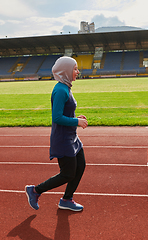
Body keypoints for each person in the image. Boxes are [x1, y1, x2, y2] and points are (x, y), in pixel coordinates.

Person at [25, 56, 88, 212]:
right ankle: (35, 191)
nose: (77, 72)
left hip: (72, 137)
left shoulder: (66, 87)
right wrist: (76, 122)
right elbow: (57, 117)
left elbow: (64, 112)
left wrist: (76, 118)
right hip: (63, 139)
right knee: (67, 174)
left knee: (80, 166)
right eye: (74, 69)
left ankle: (67, 199)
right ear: (66, 71)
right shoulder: (60, 90)